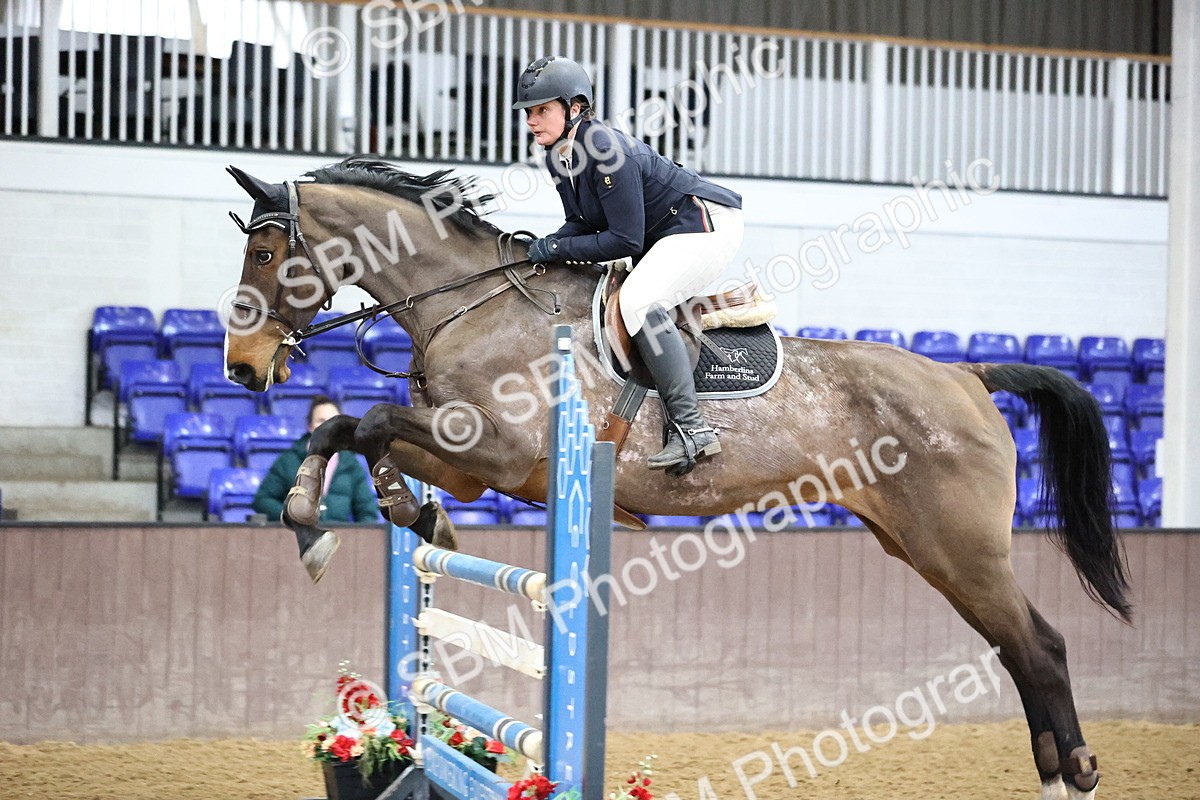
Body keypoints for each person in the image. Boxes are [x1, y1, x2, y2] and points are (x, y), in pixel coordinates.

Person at [513, 55, 745, 476]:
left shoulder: (604, 148)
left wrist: (554, 249)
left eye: (542, 110)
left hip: (706, 224)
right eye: (529, 112)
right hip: (667, 232)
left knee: (638, 299)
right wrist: (542, 244)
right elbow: (581, 224)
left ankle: (693, 428)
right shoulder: (558, 156)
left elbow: (624, 240)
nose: (532, 120)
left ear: (576, 108)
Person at [253, 396, 381, 523]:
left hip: (338, 539)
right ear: (310, 426)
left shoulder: (351, 465)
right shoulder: (288, 461)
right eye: (321, 421)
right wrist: (290, 517)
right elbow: (263, 500)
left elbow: (367, 512)